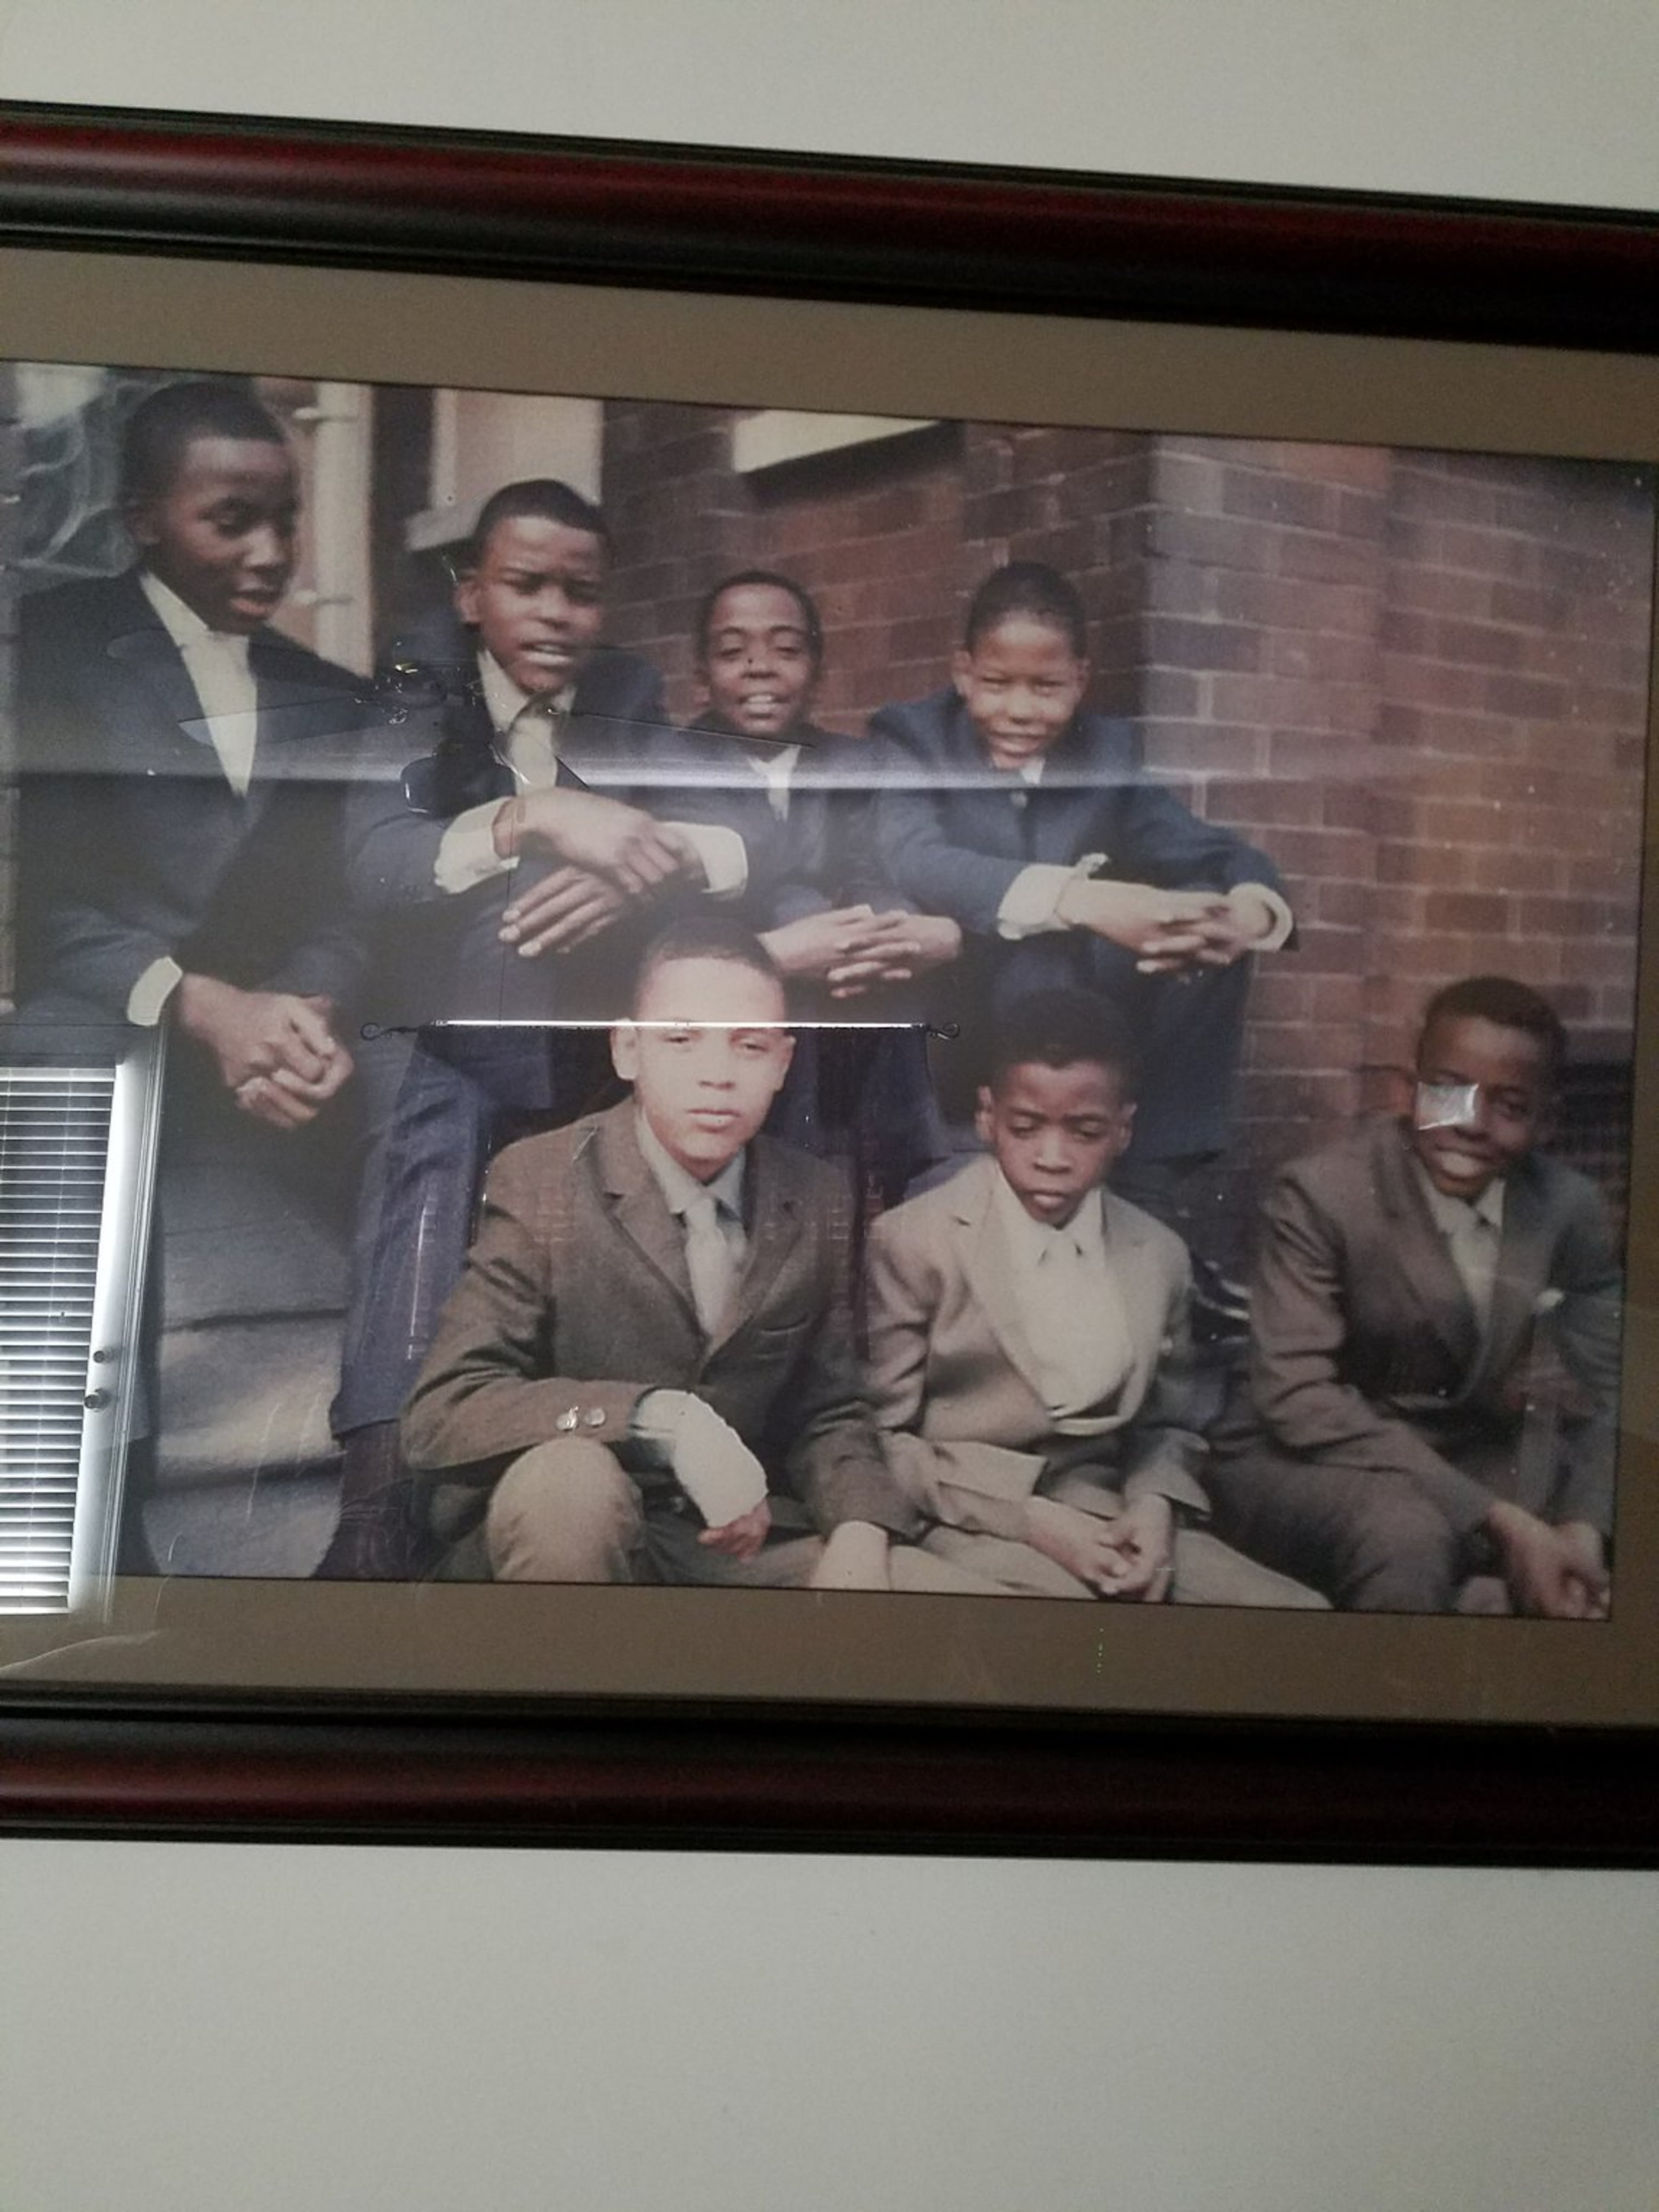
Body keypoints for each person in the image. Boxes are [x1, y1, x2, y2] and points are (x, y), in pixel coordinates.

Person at [323, 479, 742, 1574]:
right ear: (470, 594)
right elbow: (374, 863)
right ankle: (378, 1491)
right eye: (527, 585)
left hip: (573, 1034)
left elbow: (750, 834)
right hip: (437, 1028)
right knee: (435, 1127)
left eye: (582, 592)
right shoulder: (421, 682)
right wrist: (537, 815)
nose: (557, 613)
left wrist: (633, 877)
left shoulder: (629, 691)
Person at [401, 918, 965, 1591]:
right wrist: (659, 1420)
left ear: (784, 1063)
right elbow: (445, 1410)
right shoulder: (542, 1177)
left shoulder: (812, 1194)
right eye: (681, 1040)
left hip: (728, 1539)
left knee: (930, 1596)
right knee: (572, 1480)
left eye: (749, 1047)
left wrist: (859, 1531)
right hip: (557, 1526)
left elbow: (830, 1411)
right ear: (627, 1051)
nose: (718, 1077)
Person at [862, 988, 1324, 1605]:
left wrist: (1155, 1506)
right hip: (970, 1515)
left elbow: (1169, 1426)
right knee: (1077, 1632)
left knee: (1291, 1613)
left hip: (1112, 1510)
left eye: (1085, 1131)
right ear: (987, 1117)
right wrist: (1031, 1519)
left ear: (1124, 1130)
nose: (1052, 1158)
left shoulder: (1158, 1253)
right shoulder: (916, 1239)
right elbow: (881, 1441)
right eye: (1026, 1128)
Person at [1206, 976, 1622, 1614]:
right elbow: (1297, 1399)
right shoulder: (1322, 1194)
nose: (1472, 1127)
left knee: (1585, 1560)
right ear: (1410, 1089)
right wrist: (1499, 1519)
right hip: (1303, 1456)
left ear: (1548, 1120)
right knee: (1406, 1536)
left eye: (1510, 1107)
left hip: (1467, 1456)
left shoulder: (1569, 1207)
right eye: (1449, 1094)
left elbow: (1610, 1390)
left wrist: (1582, 1529)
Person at [868, 561, 1294, 1182]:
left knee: (1201, 913)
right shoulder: (913, 737)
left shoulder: (1104, 751)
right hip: (962, 1015)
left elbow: (1208, 849)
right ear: (963, 672)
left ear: (1081, 680)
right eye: (996, 683)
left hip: (1076, 1006)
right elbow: (917, 858)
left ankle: (1159, 1169)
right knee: (1045, 949)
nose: (1019, 709)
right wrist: (1082, 900)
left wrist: (1249, 912)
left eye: (1046, 688)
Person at [14, 377, 363, 1125]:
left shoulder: (328, 695)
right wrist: (202, 1006)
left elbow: (339, 899)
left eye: (286, 521)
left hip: (274, 1037)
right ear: (144, 518)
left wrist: (303, 1009)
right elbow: (39, 896)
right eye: (231, 522)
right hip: (108, 1016)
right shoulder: (48, 646)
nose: (272, 554)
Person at [654, 568, 960, 1194]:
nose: (760, 668)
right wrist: (808, 929)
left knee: (885, 923)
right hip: (732, 1005)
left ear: (818, 670)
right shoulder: (675, 764)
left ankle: (912, 1167)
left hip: (850, 997)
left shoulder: (851, 763)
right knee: (798, 904)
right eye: (733, 652)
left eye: (786, 649)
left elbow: (871, 867)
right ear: (701, 677)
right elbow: (721, 889)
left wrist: (883, 926)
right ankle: (790, 1181)